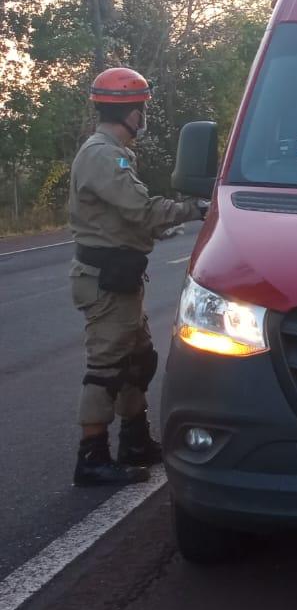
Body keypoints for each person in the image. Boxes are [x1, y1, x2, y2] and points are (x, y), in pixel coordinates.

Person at [68, 68, 207, 485]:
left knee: (137, 360)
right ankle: (91, 457)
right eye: (142, 108)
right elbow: (142, 211)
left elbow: (131, 217)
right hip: (106, 279)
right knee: (106, 366)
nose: (144, 116)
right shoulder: (102, 155)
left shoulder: (113, 152)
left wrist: (163, 222)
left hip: (123, 277)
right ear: (129, 111)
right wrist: (194, 208)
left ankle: (134, 441)